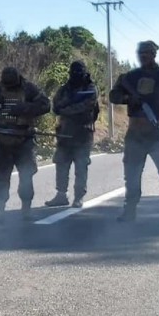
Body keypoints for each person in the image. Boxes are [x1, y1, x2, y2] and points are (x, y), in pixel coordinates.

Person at [110, 40, 159, 224]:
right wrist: (128, 98)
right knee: (132, 174)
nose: (143, 56)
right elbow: (113, 96)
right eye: (141, 53)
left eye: (147, 53)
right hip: (136, 133)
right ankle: (130, 211)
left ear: (153, 54)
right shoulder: (130, 77)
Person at [0, 67, 51, 220]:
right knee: (1, 178)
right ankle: (0, 210)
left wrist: (25, 108)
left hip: (24, 140)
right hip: (2, 140)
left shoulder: (29, 88)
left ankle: (26, 209)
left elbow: (46, 104)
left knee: (26, 176)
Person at [45, 61, 99, 209]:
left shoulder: (90, 88)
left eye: (78, 72)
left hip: (83, 132)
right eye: (73, 72)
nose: (75, 75)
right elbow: (55, 105)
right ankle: (61, 194)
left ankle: (78, 197)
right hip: (65, 131)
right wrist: (66, 105)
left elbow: (86, 106)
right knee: (61, 163)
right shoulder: (64, 89)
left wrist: (66, 109)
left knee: (81, 165)